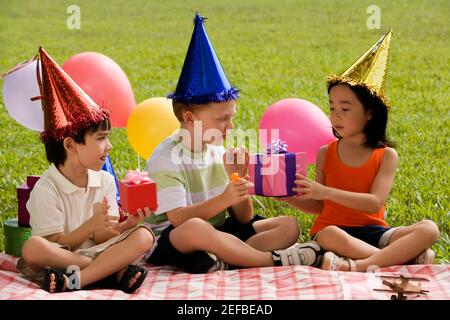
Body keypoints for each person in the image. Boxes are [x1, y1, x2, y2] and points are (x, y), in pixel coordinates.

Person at [144, 13, 321, 273]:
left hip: (217, 231)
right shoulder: (166, 157)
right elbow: (179, 218)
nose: (231, 127)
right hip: (175, 238)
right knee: (195, 229)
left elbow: (243, 218)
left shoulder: (217, 150)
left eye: (231, 118)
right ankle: (266, 260)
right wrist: (225, 197)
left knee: (289, 226)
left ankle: (224, 259)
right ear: (190, 118)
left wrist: (236, 182)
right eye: (222, 119)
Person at [280, 30, 440, 272]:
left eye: (345, 108)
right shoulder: (327, 153)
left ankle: (359, 265)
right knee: (328, 235)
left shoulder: (385, 155)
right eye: (332, 107)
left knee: (429, 228)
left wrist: (325, 191)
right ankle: (400, 260)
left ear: (370, 112)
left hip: (375, 233)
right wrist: (286, 196)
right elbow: (319, 207)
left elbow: (374, 202)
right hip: (336, 233)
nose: (335, 115)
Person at [16, 47, 155, 293]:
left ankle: (79, 279)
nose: (109, 146)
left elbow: (103, 237)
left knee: (144, 235)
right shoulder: (46, 190)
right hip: (62, 257)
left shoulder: (104, 181)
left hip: (95, 252)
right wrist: (89, 226)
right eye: (101, 138)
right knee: (33, 247)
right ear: (70, 144)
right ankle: (110, 272)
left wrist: (127, 224)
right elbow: (57, 244)